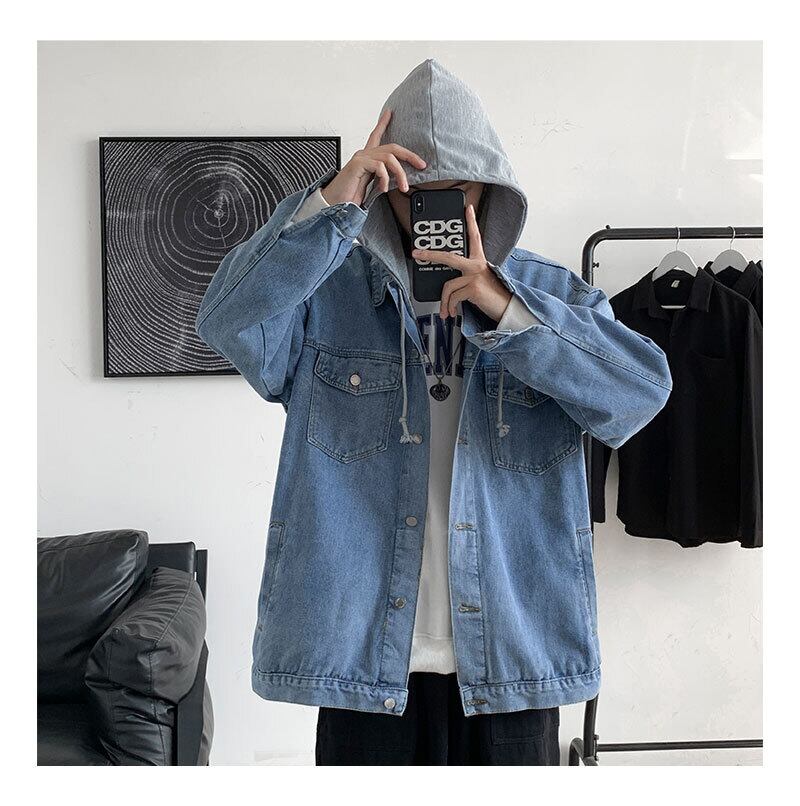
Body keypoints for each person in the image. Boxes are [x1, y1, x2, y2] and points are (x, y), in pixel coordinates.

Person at [196, 59, 672, 765]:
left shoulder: (546, 295)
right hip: (363, 664)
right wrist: (328, 204)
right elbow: (226, 321)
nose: (434, 212)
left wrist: (504, 308)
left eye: (457, 192)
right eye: (413, 192)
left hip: (511, 662)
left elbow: (640, 392)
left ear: (489, 190)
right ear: (384, 190)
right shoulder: (326, 295)